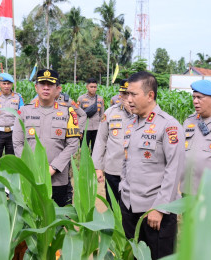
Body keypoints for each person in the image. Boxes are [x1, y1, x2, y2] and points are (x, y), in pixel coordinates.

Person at [120, 71, 184, 259]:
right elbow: (127, 160)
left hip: (155, 213)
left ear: (150, 95)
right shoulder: (131, 123)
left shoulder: (168, 126)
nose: (128, 99)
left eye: (133, 94)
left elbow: (174, 170)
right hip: (130, 208)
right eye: (127, 94)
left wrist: (160, 208)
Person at [12, 69, 80, 207]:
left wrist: (53, 168)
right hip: (31, 177)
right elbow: (17, 143)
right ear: (36, 87)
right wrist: (30, 167)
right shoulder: (24, 112)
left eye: (50, 84)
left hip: (58, 180)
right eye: (42, 84)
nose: (46, 87)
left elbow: (73, 145)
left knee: (59, 219)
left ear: (58, 89)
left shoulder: (68, 112)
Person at [92, 79, 134, 207]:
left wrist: (132, 112)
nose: (127, 98)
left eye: (131, 94)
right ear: (120, 95)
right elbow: (100, 140)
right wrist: (98, 168)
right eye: (124, 94)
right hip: (113, 169)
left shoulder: (142, 114)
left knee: (131, 210)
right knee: (112, 206)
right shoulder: (110, 113)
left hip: (135, 172)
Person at [77, 78, 104, 152]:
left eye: (95, 87)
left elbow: (102, 115)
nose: (93, 89)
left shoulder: (100, 99)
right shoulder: (81, 99)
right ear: (87, 87)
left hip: (97, 128)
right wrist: (80, 130)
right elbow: (78, 115)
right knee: (84, 150)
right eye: (91, 87)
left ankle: (94, 163)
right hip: (85, 128)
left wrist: (102, 129)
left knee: (96, 150)